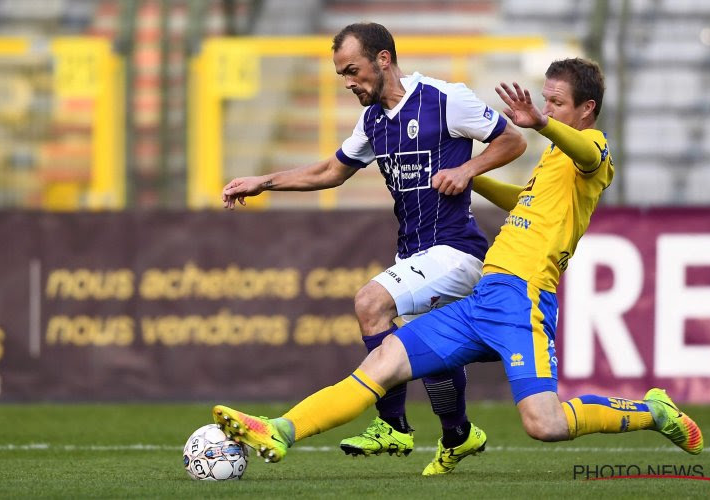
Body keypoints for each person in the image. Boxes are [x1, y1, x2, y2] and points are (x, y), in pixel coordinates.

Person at [213, 57, 703, 469]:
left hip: (524, 298)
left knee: (545, 425)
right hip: (486, 295)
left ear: (586, 109)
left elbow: (584, 153)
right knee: (381, 364)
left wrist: (540, 124)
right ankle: (279, 430)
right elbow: (524, 202)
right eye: (545, 100)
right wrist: (469, 174)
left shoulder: (591, 148)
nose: (546, 108)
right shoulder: (553, 164)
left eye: (556, 103)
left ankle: (652, 411)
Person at [221, 22, 527, 474]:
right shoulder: (372, 121)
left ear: (383, 59)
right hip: (415, 255)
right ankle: (459, 434)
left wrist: (469, 169)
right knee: (434, 353)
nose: (348, 82)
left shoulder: (445, 99)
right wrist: (263, 182)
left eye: (353, 70)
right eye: (341, 74)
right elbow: (331, 170)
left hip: (456, 252)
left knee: (370, 301)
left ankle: (394, 426)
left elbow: (512, 139)